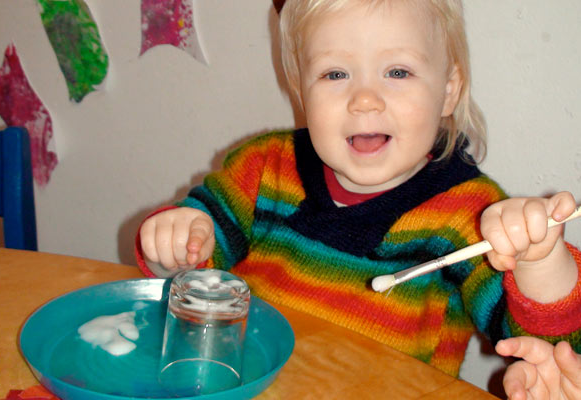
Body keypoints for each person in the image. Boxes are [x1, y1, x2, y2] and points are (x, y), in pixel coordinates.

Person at [135, 0, 581, 396]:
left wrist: (541, 263)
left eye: (398, 72)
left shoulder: (469, 216)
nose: (364, 99)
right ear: (301, 88)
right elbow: (193, 273)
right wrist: (173, 245)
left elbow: (550, 347)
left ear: (448, 89)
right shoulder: (263, 168)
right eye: (335, 74)